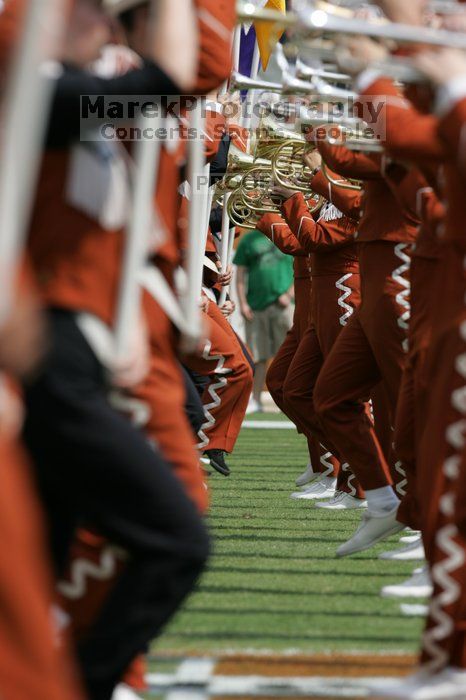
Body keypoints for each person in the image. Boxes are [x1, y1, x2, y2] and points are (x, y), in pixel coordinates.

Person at [235, 227, 294, 413]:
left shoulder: (287, 234)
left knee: (289, 356)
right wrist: (243, 303)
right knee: (258, 356)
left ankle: (289, 399)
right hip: (256, 306)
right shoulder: (248, 239)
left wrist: (289, 294)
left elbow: (300, 267)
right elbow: (240, 275)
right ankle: (255, 400)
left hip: (283, 306)